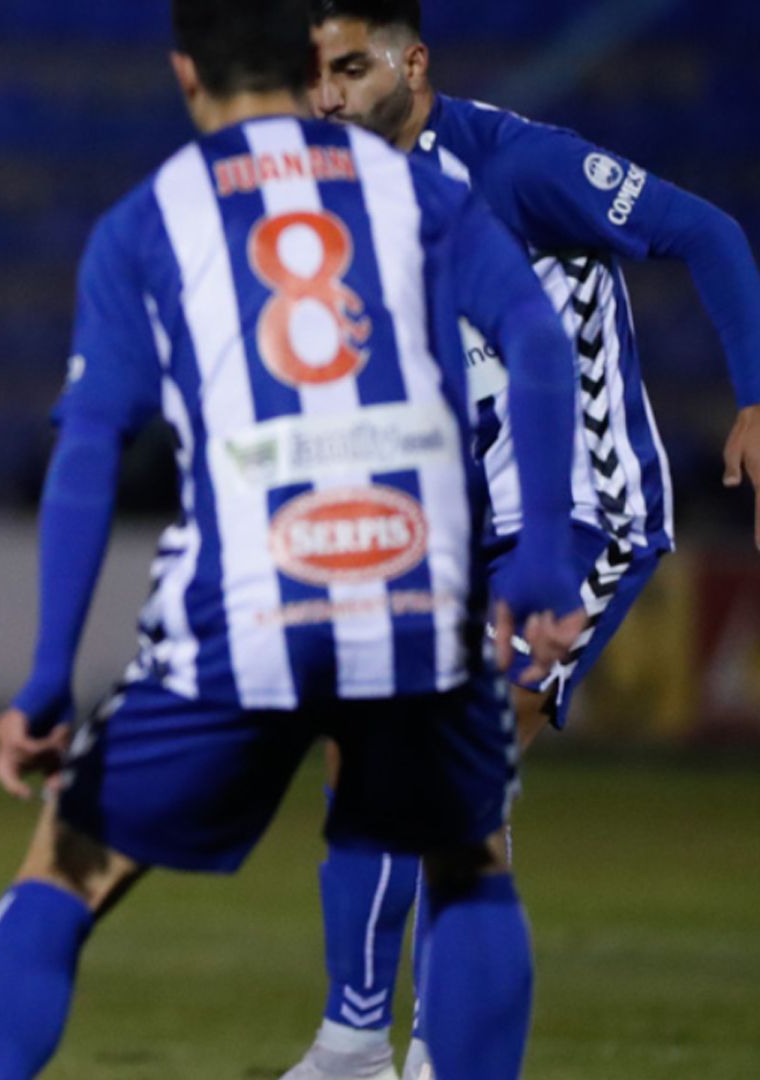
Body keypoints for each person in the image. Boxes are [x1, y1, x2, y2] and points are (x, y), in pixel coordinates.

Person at [0, 1, 590, 1077]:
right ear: (307, 67)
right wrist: (549, 553)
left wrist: (48, 679)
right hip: (416, 593)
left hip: (247, 605)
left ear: (185, 74)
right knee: (468, 861)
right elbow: (535, 338)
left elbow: (92, 446)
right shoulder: (416, 190)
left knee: (64, 870)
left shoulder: (147, 221)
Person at [287, 3, 760, 1076]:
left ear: (413, 64)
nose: (328, 98)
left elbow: (710, 233)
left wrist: (757, 398)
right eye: (316, 76)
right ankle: (377, 1043)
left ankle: (421, 1054)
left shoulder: (519, 166)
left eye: (351, 70)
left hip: (588, 512)